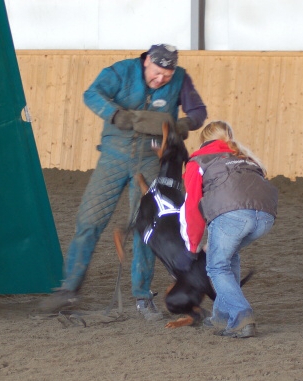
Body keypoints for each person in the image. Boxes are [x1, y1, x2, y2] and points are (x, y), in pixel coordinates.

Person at [40, 44, 207, 320]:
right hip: (114, 156)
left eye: (167, 75)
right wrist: (116, 115)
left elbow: (199, 111)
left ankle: (142, 295)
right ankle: (68, 290)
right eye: (157, 73)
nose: (161, 79)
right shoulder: (121, 71)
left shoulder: (181, 78)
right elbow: (91, 94)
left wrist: (182, 125)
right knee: (89, 220)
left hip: (152, 158)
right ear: (146, 62)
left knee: (148, 228)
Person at [180, 120, 278, 337]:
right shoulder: (246, 159)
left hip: (232, 216)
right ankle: (221, 318)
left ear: (203, 141)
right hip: (265, 216)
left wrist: (193, 243)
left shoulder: (197, 161)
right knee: (227, 257)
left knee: (216, 267)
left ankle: (242, 315)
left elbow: (192, 205)